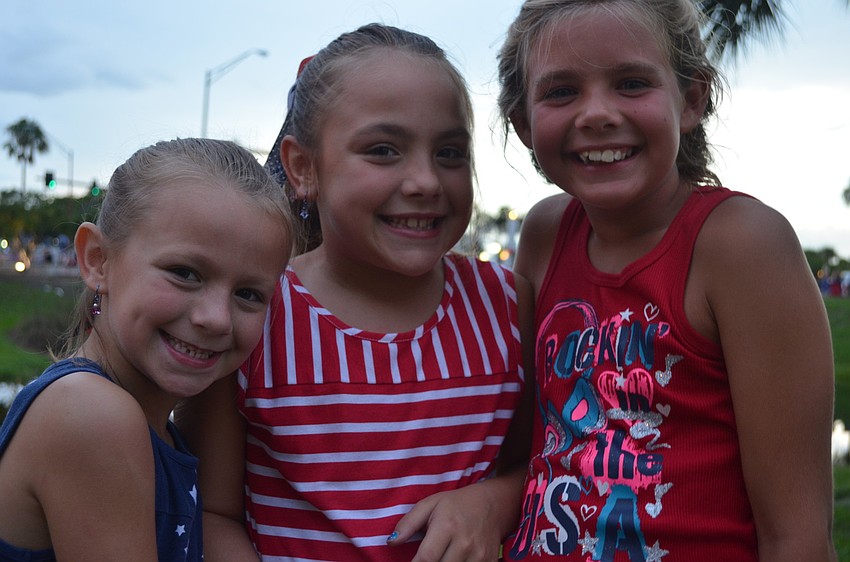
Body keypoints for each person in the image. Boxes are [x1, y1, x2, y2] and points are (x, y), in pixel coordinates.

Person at [176, 23, 535, 562]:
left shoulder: (506, 305)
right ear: (303, 168)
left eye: (450, 153)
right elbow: (212, 512)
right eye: (384, 150)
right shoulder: (255, 312)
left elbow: (541, 463)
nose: (425, 181)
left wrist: (493, 503)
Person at [495, 1, 837, 560]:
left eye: (631, 83)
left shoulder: (740, 244)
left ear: (692, 99)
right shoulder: (544, 233)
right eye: (561, 91)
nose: (596, 114)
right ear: (523, 124)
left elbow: (796, 536)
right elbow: (535, 450)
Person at [0, 138, 293, 561]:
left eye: (248, 294)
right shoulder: (92, 414)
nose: (216, 319)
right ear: (98, 260)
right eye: (185, 273)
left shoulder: (153, 428)